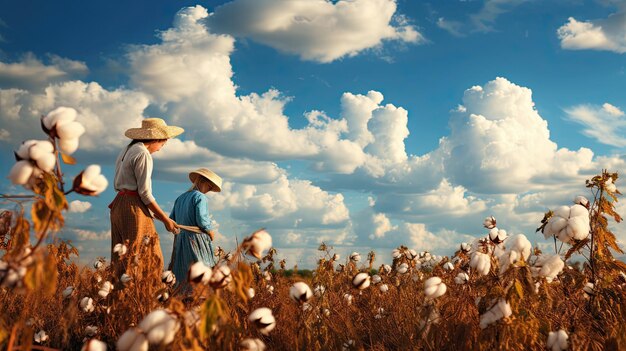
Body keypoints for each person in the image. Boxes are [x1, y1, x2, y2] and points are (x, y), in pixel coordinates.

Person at [109, 118, 182, 275]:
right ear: (156, 139)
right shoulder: (143, 153)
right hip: (132, 205)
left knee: (122, 258)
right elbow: (144, 193)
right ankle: (142, 296)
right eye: (163, 144)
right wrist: (166, 219)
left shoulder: (127, 149)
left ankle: (119, 298)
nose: (161, 149)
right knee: (147, 256)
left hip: (119, 205)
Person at [168, 168, 222, 293]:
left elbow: (172, 220)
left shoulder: (180, 198)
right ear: (202, 182)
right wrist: (210, 231)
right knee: (202, 271)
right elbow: (202, 220)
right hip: (196, 240)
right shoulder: (200, 197)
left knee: (182, 272)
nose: (209, 191)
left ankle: (181, 300)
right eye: (209, 187)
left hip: (181, 241)